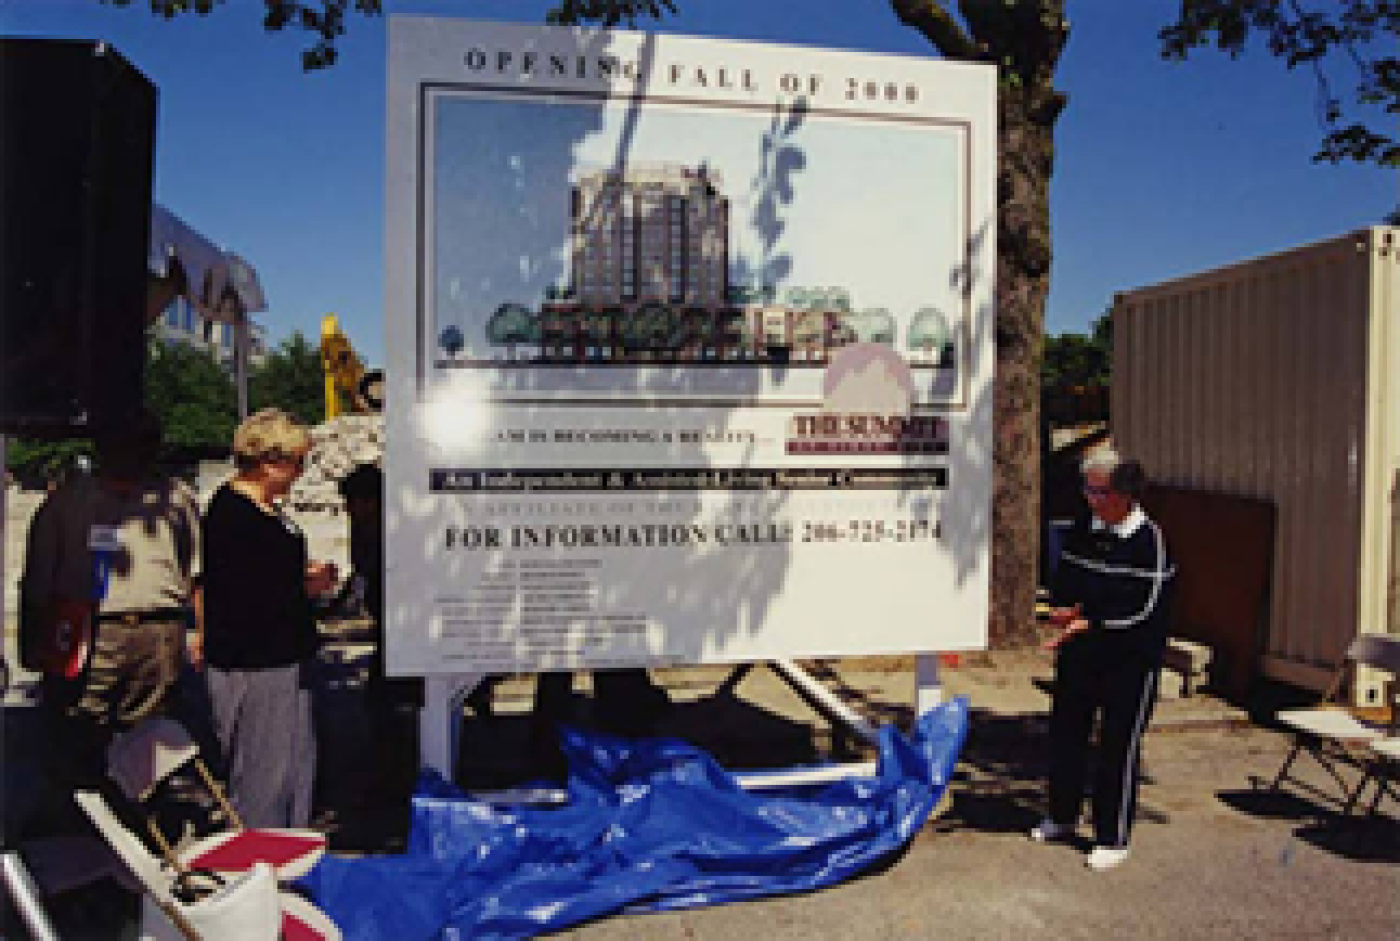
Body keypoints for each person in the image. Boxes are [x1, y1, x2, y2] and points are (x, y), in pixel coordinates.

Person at [19, 411, 202, 789]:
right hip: (88, 629)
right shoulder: (68, 501)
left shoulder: (175, 499)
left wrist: (199, 631)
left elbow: (195, 571)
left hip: (158, 630)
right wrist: (32, 639)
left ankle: (141, 814)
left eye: (148, 444)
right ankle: (77, 813)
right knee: (78, 728)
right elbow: (38, 575)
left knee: (150, 733)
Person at [1032, 450, 1175, 871]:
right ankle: (1062, 815)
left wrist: (1092, 622)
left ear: (1124, 493)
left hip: (1129, 659)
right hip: (1081, 652)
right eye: (1087, 489)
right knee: (1066, 736)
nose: (1091, 499)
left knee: (1117, 745)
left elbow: (1144, 608)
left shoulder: (1151, 541)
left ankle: (1112, 836)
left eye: (1100, 491)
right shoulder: (1082, 529)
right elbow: (1067, 581)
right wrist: (1064, 611)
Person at [197, 408, 336, 829]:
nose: (300, 472)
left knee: (294, 766)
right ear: (268, 461)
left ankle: (289, 845)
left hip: (284, 655)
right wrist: (303, 587)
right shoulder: (231, 515)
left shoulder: (268, 511)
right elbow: (242, 593)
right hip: (254, 661)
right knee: (262, 775)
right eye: (297, 462)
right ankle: (260, 862)